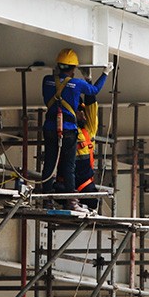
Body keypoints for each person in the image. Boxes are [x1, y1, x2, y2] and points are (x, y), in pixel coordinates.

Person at [41, 48, 112, 211]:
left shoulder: (46, 80)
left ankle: (46, 198)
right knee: (68, 166)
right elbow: (94, 91)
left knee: (49, 164)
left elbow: (48, 95)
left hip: (51, 127)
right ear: (73, 69)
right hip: (67, 130)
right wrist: (105, 73)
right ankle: (71, 202)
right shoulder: (77, 84)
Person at [74, 91, 100, 211]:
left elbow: (92, 108)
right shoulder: (66, 127)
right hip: (67, 181)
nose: (83, 114)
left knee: (94, 203)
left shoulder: (88, 129)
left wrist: (89, 85)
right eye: (80, 111)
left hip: (85, 182)